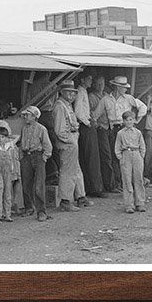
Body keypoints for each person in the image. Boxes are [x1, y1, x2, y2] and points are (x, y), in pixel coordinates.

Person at [93, 75, 147, 194]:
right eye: (123, 87)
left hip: (126, 127)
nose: (125, 89)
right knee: (116, 156)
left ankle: (129, 183)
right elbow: (95, 115)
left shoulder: (128, 98)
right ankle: (117, 183)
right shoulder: (106, 99)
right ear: (117, 87)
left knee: (129, 154)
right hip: (113, 129)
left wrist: (137, 120)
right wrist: (99, 125)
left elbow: (143, 107)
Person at [52, 82, 90, 211]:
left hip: (72, 140)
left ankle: (81, 197)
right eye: (68, 92)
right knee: (68, 172)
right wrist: (70, 141)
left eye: (73, 92)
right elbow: (59, 130)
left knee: (76, 170)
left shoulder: (66, 105)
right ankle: (65, 200)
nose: (71, 95)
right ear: (61, 92)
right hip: (67, 143)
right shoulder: (60, 106)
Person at [18, 105, 53, 222]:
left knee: (39, 185)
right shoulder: (24, 129)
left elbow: (48, 146)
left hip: (38, 156)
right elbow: (21, 143)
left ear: (34, 117)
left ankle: (41, 211)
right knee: (26, 183)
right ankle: (29, 207)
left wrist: (44, 157)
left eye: (28, 115)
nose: (25, 117)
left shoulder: (41, 129)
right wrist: (21, 156)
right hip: (26, 156)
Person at [74, 71, 105, 197]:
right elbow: (78, 111)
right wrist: (87, 122)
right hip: (85, 126)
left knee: (90, 157)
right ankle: (95, 188)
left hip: (86, 124)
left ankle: (93, 187)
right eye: (89, 79)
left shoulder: (83, 91)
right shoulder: (80, 92)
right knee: (92, 157)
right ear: (82, 80)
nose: (91, 82)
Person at [115, 109, 147, 213]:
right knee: (127, 180)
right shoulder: (120, 133)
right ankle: (129, 205)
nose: (129, 122)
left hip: (136, 154)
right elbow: (117, 147)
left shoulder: (138, 133)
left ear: (134, 121)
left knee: (138, 179)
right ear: (123, 121)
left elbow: (142, 145)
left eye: (131, 120)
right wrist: (121, 157)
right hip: (126, 154)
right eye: (127, 120)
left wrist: (141, 155)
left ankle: (140, 203)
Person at [88, 74, 115, 192]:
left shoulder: (106, 96)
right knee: (105, 157)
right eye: (98, 84)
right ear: (94, 85)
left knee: (113, 155)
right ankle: (108, 185)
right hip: (100, 129)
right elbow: (90, 113)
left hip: (110, 127)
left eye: (102, 84)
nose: (100, 86)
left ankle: (114, 183)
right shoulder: (91, 97)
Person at [0, 120, 20, 224]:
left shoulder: (9, 145)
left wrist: (8, 137)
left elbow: (17, 136)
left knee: (8, 192)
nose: (0, 139)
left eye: (2, 137)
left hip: (8, 172)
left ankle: (7, 214)